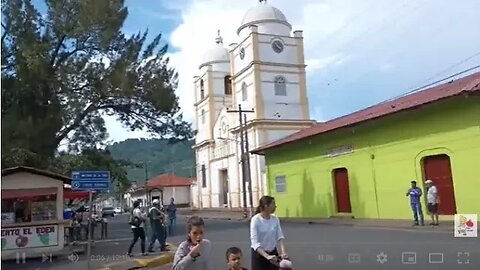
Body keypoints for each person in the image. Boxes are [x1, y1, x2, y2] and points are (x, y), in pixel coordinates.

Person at [250, 196, 288, 270]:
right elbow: (254, 243)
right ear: (266, 206)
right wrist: (267, 256)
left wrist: (283, 252)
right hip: (260, 255)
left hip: (273, 254)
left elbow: (280, 236)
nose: (275, 206)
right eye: (273, 204)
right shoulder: (255, 220)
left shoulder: (275, 218)